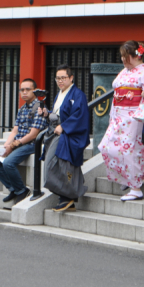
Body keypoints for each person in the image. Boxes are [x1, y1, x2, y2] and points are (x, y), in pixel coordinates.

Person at [98, 41, 144, 201]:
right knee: (107, 147)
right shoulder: (124, 72)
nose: (122, 59)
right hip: (118, 115)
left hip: (135, 116)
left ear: (134, 55)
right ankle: (126, 178)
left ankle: (136, 188)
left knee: (130, 150)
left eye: (124, 55)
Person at [0, 78, 48, 204]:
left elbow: (33, 135)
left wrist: (14, 145)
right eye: (22, 90)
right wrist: (6, 145)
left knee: (8, 163)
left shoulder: (40, 108)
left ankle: (22, 190)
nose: (24, 92)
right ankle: (13, 189)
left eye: (28, 89)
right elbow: (15, 131)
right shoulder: (22, 108)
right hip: (18, 144)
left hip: (31, 145)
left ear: (35, 91)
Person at [39, 65, 90, 212]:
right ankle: (67, 198)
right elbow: (57, 114)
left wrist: (64, 126)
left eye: (63, 78)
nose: (60, 81)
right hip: (57, 132)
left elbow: (79, 116)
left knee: (58, 164)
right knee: (56, 164)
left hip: (67, 134)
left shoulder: (78, 94)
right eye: (58, 78)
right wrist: (46, 114)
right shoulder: (60, 94)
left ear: (71, 78)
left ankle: (67, 197)